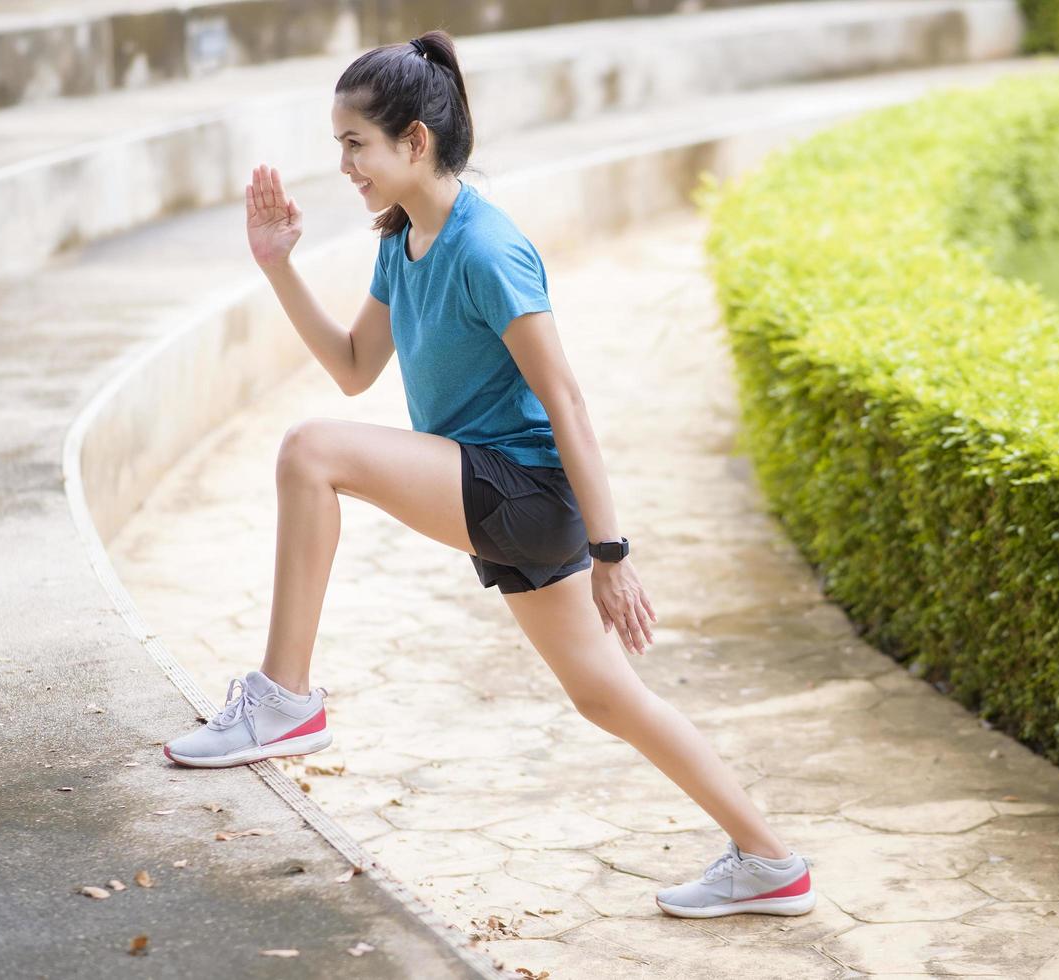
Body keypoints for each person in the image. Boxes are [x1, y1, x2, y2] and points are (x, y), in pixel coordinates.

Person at [161, 29, 815, 919]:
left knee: (311, 451)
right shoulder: (404, 239)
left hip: (528, 491)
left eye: (356, 144)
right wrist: (277, 267)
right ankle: (771, 859)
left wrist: (613, 549)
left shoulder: (487, 248)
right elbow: (356, 365)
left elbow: (568, 402)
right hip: (506, 495)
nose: (345, 164)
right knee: (605, 696)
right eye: (340, 146)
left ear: (414, 142)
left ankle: (283, 701)